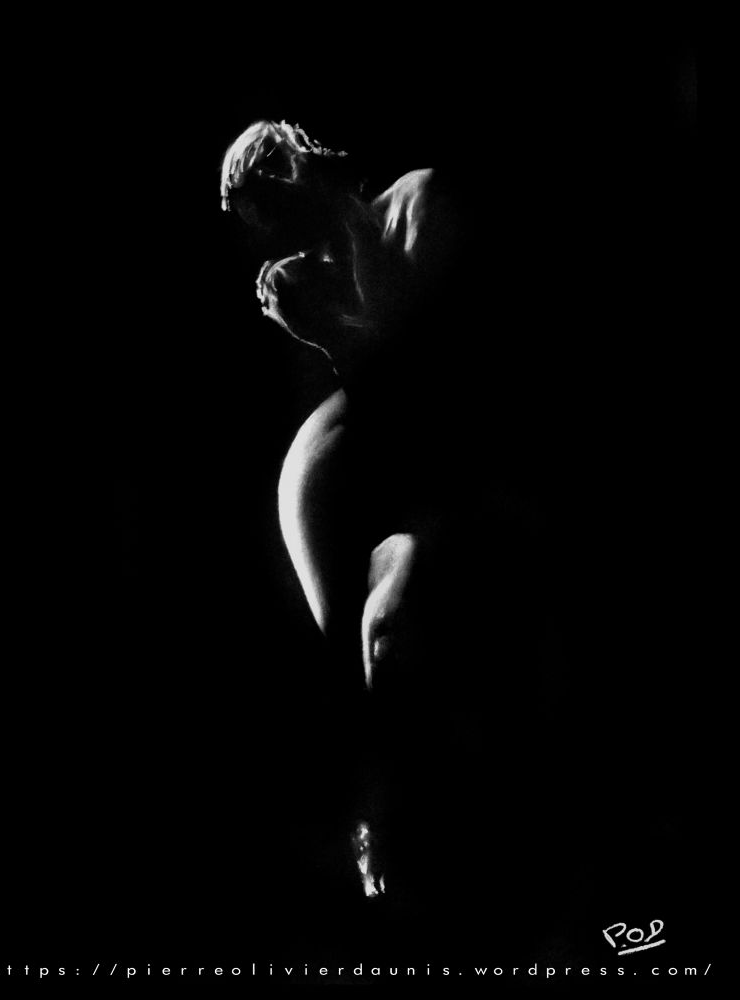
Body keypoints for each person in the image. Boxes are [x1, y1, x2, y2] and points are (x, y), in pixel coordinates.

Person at [221, 119, 564, 909]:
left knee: (410, 593)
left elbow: (429, 384)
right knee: (378, 625)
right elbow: (383, 405)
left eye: (280, 201)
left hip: (466, 450)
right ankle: (390, 807)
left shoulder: (418, 205)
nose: (282, 238)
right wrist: (325, 332)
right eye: (268, 225)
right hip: (398, 473)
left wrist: (336, 323)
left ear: (301, 173)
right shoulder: (313, 274)